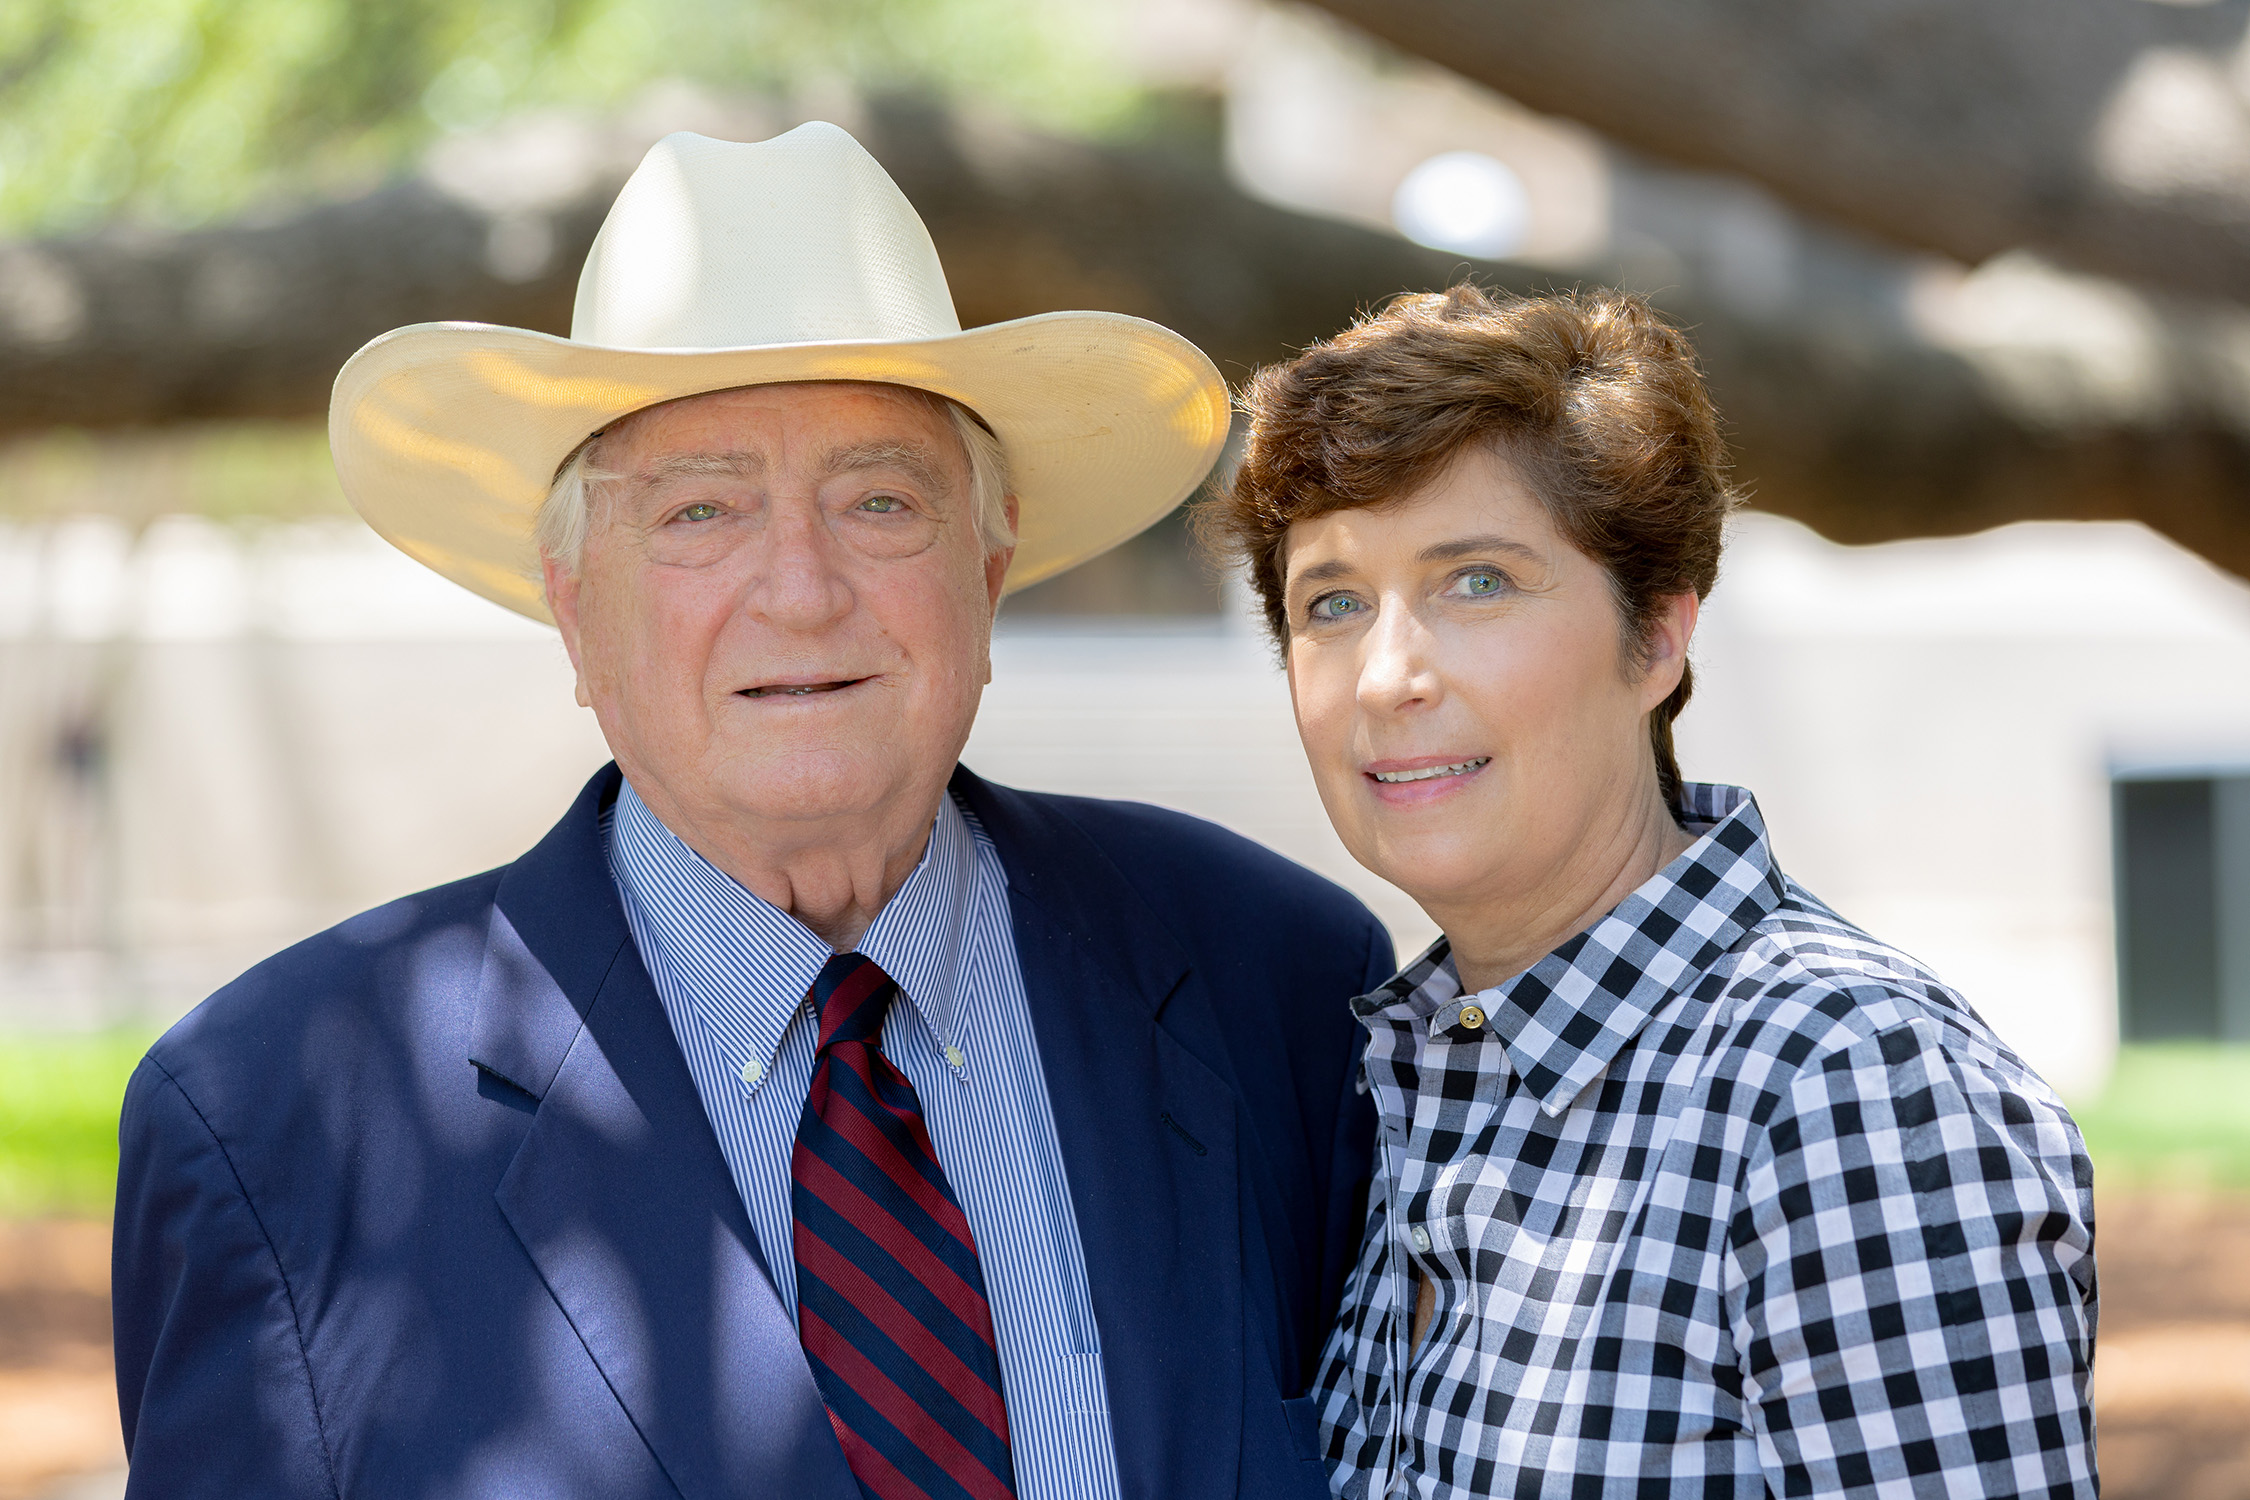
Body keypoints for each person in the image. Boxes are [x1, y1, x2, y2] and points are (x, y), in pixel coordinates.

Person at [112, 123, 1390, 1500]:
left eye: (881, 501)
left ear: (989, 560)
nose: (800, 590)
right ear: (574, 605)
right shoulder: (273, 1126)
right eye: (700, 514)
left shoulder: (1275, 985)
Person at [1203, 284, 2097, 1499]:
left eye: (1478, 581)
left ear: (1657, 640)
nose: (1388, 675)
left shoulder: (1843, 1086)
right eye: (1333, 603)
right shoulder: (1409, 1074)